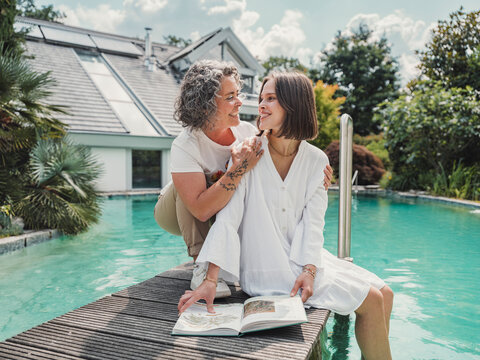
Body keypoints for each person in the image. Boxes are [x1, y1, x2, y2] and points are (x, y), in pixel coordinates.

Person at [177, 71, 394, 360]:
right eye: (261, 99)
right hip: (268, 270)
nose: (261, 106)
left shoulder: (317, 159)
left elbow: (313, 222)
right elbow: (229, 218)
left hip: (302, 260)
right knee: (372, 299)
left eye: (271, 99)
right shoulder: (248, 153)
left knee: (386, 293)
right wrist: (210, 278)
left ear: (294, 104)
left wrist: (309, 269)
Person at [153, 60, 334, 298]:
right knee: (194, 192)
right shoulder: (186, 145)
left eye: (238, 94)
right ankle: (202, 266)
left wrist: (313, 171)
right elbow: (200, 210)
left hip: (221, 199)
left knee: (235, 193)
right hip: (181, 209)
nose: (240, 102)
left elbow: (285, 137)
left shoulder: (247, 132)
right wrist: (237, 169)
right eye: (230, 97)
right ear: (204, 104)